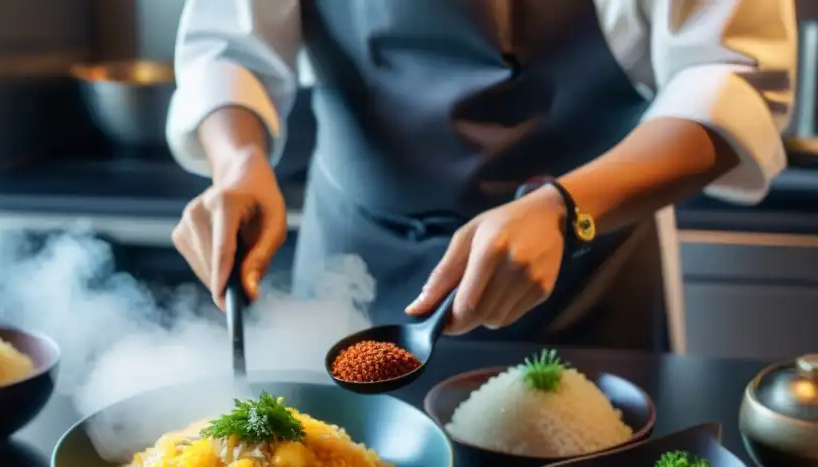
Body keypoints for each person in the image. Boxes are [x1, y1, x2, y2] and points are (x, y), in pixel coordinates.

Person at [165, 1, 796, 351]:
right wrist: (238, 161)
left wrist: (566, 209)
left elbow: (731, 76)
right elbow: (229, 46)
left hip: (590, 272)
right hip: (351, 264)